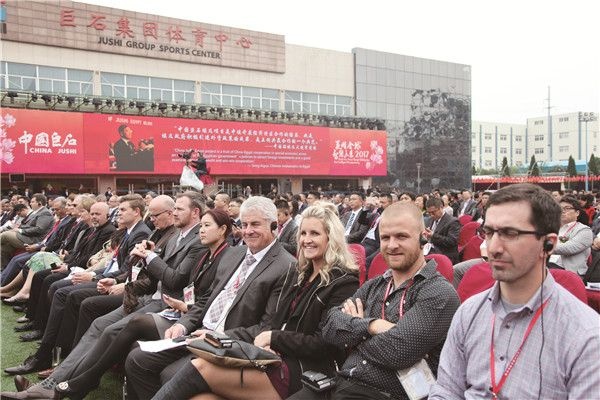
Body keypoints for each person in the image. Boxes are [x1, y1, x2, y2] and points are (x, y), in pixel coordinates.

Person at [152, 205, 359, 400]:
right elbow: (275, 321)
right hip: (273, 355)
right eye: (303, 233)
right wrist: (270, 341)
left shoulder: (343, 282)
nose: (306, 240)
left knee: (199, 368)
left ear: (331, 238)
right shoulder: (300, 273)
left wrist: (274, 338)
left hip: (305, 370)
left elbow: (326, 344)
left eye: (315, 234)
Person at [430, 183, 600, 399]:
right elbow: (446, 390)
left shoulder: (585, 335)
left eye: (510, 234)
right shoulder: (469, 312)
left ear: (548, 244)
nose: (493, 247)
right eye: (489, 233)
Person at [123, 196, 295, 399]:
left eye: (255, 224)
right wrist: (183, 325)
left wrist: (216, 337)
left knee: (170, 374)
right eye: (244, 224)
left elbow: (267, 328)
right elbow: (207, 299)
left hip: (229, 344)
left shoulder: (285, 266)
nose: (248, 231)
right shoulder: (234, 254)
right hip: (198, 334)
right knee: (137, 359)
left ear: (274, 225)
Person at [46, 209, 230, 398]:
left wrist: (149, 260)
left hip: (173, 308)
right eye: (202, 225)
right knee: (97, 319)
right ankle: (66, 374)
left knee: (118, 328)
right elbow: (152, 275)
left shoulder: (217, 252)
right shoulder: (187, 243)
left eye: (206, 225)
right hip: (160, 301)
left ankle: (79, 379)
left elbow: (178, 282)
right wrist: (135, 269)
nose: (202, 230)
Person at [291, 202, 460, 399]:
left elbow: (398, 352)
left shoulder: (438, 292)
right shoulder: (375, 285)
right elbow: (329, 327)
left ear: (423, 238)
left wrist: (354, 332)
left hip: (387, 395)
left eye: (401, 236)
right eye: (385, 237)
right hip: (342, 384)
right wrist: (373, 326)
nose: (392, 245)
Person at [0, 193, 54, 269]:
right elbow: (29, 226)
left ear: (39, 203)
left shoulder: (45, 213)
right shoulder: (37, 212)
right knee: (5, 247)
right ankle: (4, 269)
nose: (30, 204)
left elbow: (39, 229)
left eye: (32, 202)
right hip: (27, 236)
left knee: (5, 235)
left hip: (33, 240)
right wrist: (18, 229)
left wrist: (21, 230)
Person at [551, 195, 593, 275]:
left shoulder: (584, 230)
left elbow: (569, 248)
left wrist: (543, 246)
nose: (563, 211)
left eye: (567, 208)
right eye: (560, 208)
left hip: (569, 272)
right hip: (547, 267)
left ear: (577, 213)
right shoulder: (552, 227)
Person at [423, 197, 461, 264]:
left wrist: (433, 235)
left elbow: (452, 242)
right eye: (429, 213)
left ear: (441, 207)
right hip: (428, 251)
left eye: (433, 212)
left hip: (445, 254)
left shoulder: (453, 221)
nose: (431, 215)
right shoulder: (429, 220)